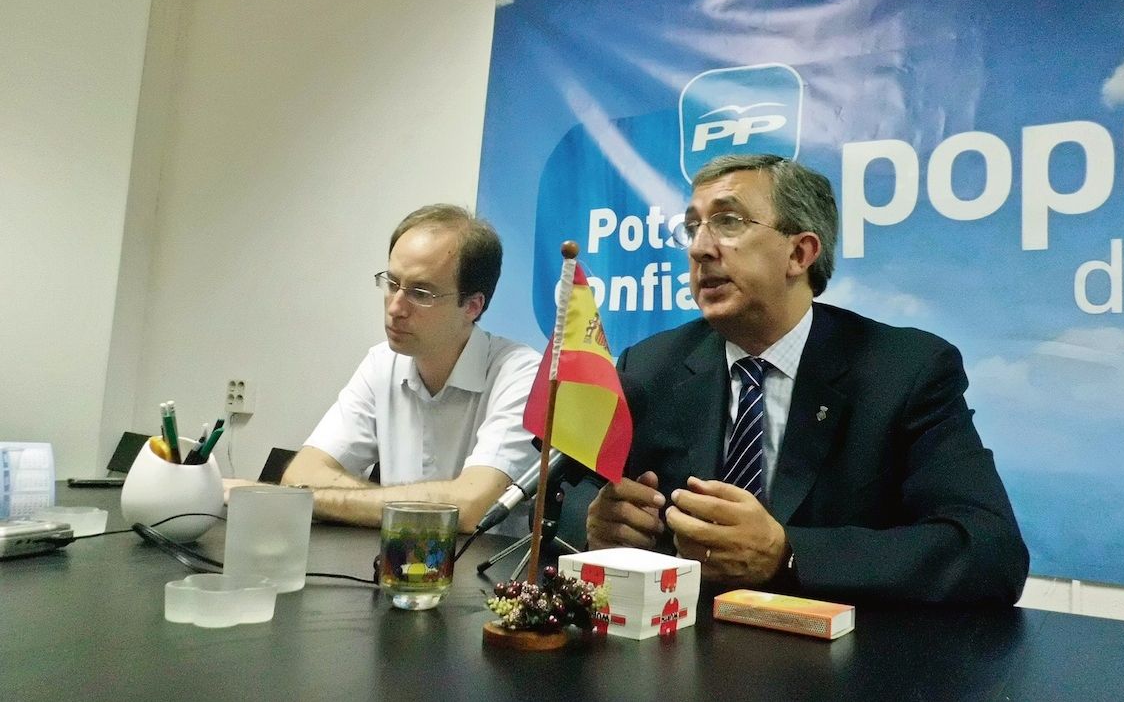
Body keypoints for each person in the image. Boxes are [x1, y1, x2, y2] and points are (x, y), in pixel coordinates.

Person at [586, 154, 1029, 604]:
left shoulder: (905, 371)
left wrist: (789, 555)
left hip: (847, 661)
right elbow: (559, 496)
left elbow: (991, 552)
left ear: (799, 253)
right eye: (693, 227)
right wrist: (597, 526)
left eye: (728, 222)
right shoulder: (650, 365)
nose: (700, 248)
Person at [265, 204, 540, 534]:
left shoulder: (521, 374)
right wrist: (416, 503)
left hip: (482, 577)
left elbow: (469, 508)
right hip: (396, 565)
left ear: (472, 306)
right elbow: (300, 477)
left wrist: (329, 498)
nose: (395, 307)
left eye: (420, 293)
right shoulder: (382, 363)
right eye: (392, 283)